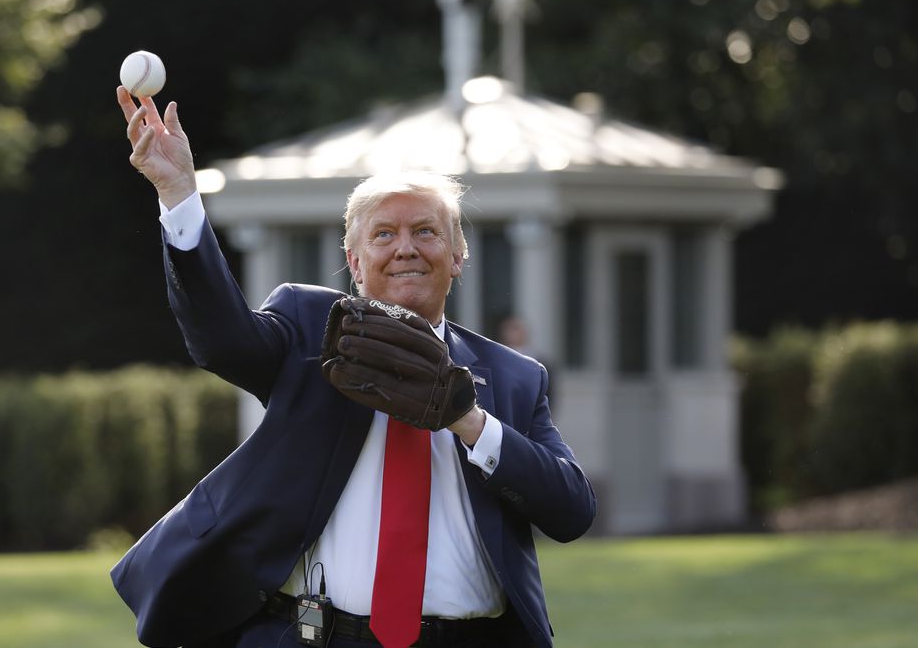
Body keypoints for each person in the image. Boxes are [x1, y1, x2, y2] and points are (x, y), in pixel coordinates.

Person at [110, 87, 596, 648]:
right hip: (319, 636)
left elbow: (572, 511)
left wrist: (470, 421)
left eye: (426, 231)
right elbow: (222, 340)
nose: (405, 247)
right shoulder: (312, 326)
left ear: (458, 256)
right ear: (355, 261)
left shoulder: (512, 375)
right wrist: (179, 196)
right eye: (383, 234)